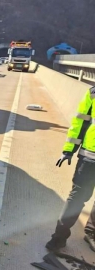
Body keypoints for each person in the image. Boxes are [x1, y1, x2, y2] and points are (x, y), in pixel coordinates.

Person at [46, 86, 95, 252]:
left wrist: (69, 150)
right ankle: (60, 237)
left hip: (89, 157)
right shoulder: (93, 93)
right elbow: (79, 122)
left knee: (77, 197)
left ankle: (89, 233)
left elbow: (79, 122)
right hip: (90, 156)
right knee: (77, 197)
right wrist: (68, 150)